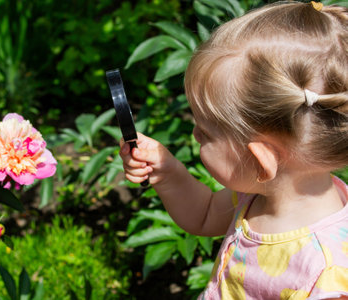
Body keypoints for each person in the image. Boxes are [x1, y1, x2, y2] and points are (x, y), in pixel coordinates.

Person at [119, 1, 348, 299]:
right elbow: (203, 215)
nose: (195, 134)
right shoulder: (258, 194)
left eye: (207, 132)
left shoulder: (324, 274)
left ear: (260, 161)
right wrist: (168, 173)